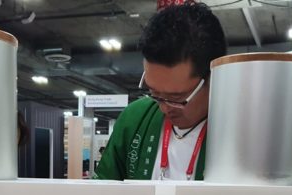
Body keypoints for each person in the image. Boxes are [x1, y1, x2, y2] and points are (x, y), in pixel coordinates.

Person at [94, 3, 226, 181]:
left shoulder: (237, 132)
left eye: (176, 98)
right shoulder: (135, 118)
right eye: (154, 92)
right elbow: (102, 186)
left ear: (214, 78)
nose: (164, 108)